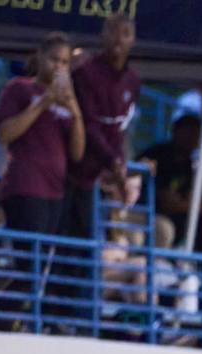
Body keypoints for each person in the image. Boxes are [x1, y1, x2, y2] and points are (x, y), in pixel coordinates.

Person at [0, 33, 85, 327]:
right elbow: (5, 134)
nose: (59, 67)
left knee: (40, 268)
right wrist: (43, 102)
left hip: (54, 192)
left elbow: (77, 153)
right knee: (29, 265)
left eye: (65, 62)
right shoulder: (19, 89)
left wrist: (74, 110)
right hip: (24, 186)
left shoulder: (68, 100)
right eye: (54, 59)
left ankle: (8, 319)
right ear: (40, 58)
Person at [63, 13, 140, 240]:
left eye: (125, 33)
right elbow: (89, 124)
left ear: (133, 40)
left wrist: (119, 166)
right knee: (59, 239)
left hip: (93, 178)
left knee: (86, 242)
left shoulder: (133, 80)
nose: (118, 39)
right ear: (102, 36)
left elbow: (121, 129)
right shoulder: (86, 73)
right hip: (67, 171)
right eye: (113, 31)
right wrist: (112, 161)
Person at [137, 114, 202, 250]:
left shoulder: (188, 163)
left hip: (172, 214)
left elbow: (187, 197)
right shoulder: (160, 156)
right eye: (189, 133)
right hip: (145, 211)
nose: (192, 140)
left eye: (196, 135)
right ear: (176, 132)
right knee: (167, 228)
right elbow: (168, 203)